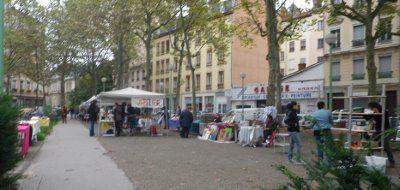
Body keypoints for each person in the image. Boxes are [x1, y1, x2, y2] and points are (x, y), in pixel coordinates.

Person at [365, 101, 395, 168]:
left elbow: (384, 121)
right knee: (370, 143)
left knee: (386, 146)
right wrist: (369, 130)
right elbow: (371, 122)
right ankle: (369, 160)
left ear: (375, 107)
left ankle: (392, 162)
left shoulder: (384, 112)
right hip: (378, 131)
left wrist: (377, 114)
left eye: (372, 108)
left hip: (386, 131)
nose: (372, 110)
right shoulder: (374, 113)